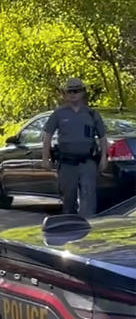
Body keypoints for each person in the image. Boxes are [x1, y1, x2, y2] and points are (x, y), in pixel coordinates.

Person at [42, 78, 109, 216]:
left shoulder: (91, 114)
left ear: (82, 92)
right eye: (70, 91)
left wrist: (104, 158)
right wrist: (45, 158)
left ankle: (88, 226)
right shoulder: (59, 114)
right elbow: (47, 136)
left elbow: (103, 137)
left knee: (88, 196)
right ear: (65, 94)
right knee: (68, 198)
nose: (73, 94)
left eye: (77, 91)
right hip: (67, 163)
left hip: (87, 162)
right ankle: (70, 228)